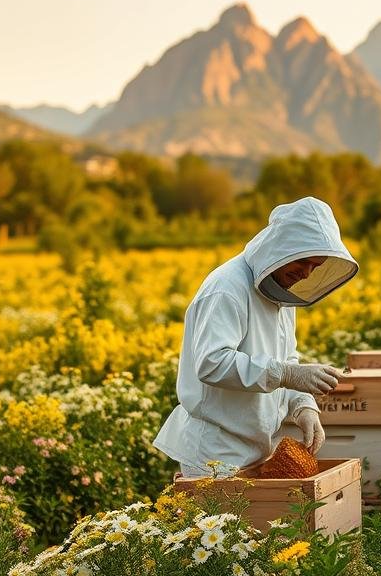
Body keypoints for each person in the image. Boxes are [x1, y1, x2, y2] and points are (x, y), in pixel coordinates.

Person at [153, 197, 359, 477]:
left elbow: (286, 359)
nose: (306, 273)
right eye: (303, 261)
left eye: (316, 266)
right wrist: (286, 374)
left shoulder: (280, 294)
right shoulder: (226, 288)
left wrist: (303, 406)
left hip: (257, 448)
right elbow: (212, 363)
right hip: (214, 452)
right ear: (282, 249)